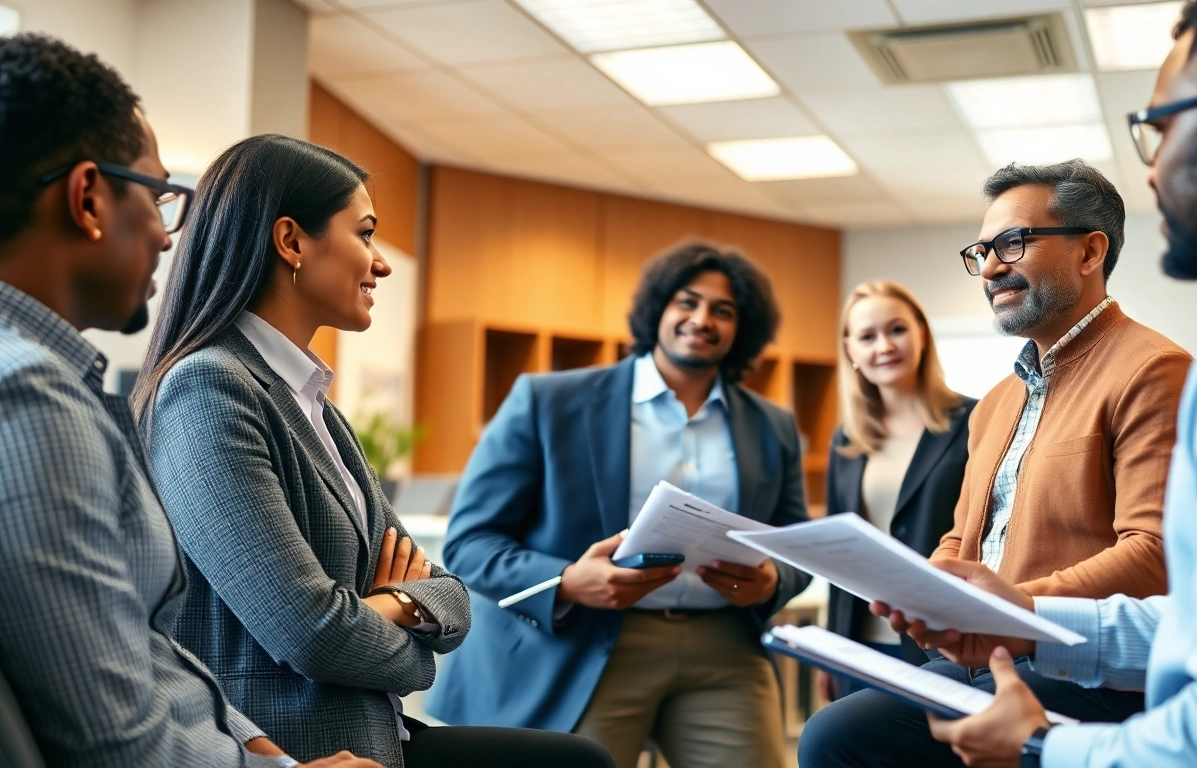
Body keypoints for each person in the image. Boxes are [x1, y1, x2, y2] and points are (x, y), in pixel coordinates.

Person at [885, 1, 1197, 765]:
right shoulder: (997, 400)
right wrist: (987, 600)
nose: (1153, 165)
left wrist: (1041, 745)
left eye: (1160, 128)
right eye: (983, 250)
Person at [131, 134, 615, 768]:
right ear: (291, 242)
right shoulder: (210, 386)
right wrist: (405, 621)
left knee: (581, 760)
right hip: (303, 745)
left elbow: (450, 594)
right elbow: (312, 633)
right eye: (365, 234)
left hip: (375, 732)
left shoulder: (309, 399)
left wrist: (395, 605)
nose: (381, 263)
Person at [0, 32, 376, 768]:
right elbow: (113, 738)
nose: (170, 238)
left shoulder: (50, 383)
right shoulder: (33, 400)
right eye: (157, 194)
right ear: (88, 198)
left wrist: (264, 753)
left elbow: (143, 648)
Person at [798, 160, 1193, 768]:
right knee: (833, 732)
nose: (989, 268)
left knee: (846, 738)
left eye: (1012, 243)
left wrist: (1006, 610)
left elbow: (1153, 553)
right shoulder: (995, 403)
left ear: (1091, 252)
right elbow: (963, 537)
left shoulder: (1154, 371)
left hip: (1084, 672)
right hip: (984, 654)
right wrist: (927, 591)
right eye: (981, 250)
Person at [425, 243, 813, 768]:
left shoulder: (772, 425)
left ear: (743, 328)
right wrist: (566, 580)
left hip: (724, 645)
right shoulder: (549, 401)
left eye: (723, 311)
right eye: (687, 302)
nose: (702, 319)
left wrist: (774, 580)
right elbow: (471, 544)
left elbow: (794, 542)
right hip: (587, 641)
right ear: (658, 308)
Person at [820, 280, 975, 700]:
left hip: (943, 643)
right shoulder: (846, 441)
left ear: (922, 333)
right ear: (851, 351)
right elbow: (840, 555)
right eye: (867, 336)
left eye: (897, 329)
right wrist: (834, 647)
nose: (884, 346)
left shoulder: (975, 421)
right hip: (861, 642)